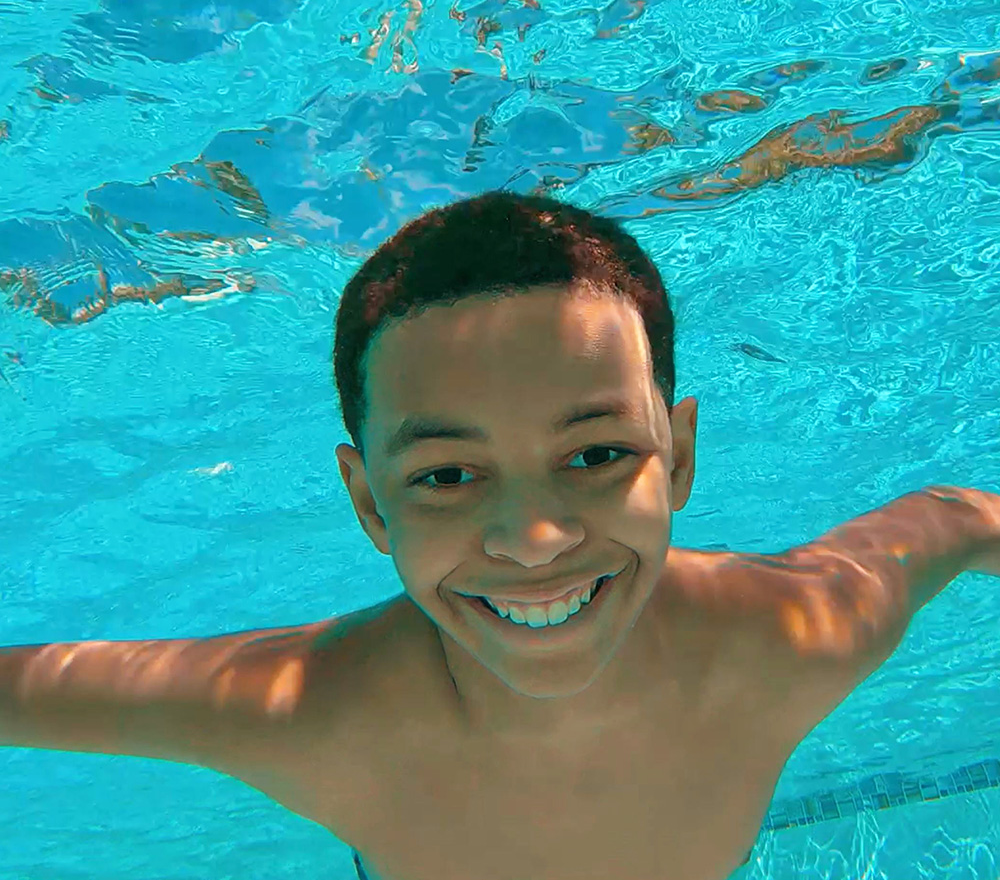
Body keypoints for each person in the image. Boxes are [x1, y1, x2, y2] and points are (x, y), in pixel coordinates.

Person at [1, 190, 997, 880]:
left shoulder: (796, 632)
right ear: (369, 503)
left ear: (678, 455)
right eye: (445, 474)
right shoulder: (311, 716)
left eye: (596, 453)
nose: (532, 537)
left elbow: (960, 520)